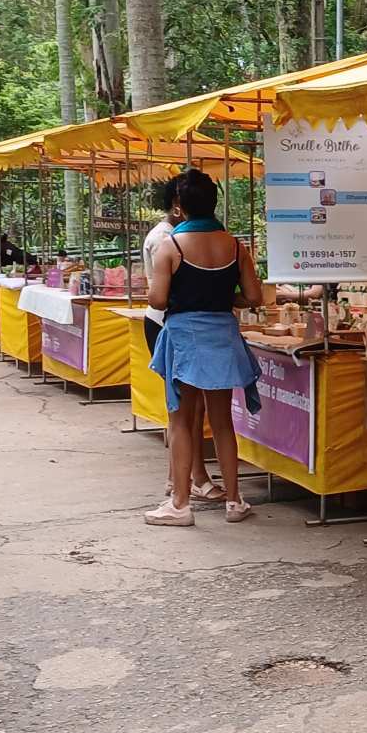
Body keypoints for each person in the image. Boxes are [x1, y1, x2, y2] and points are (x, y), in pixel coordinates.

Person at [145, 170, 264, 527]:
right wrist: (225, 297)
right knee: (223, 420)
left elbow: (158, 299)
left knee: (182, 420)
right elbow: (254, 297)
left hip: (185, 338)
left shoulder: (172, 247)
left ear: (179, 207)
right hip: (223, 334)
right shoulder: (235, 245)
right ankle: (235, 500)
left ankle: (180, 504)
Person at [142, 177, 225, 504]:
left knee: (191, 407)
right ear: (178, 203)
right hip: (169, 326)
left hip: (181, 325)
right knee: (185, 407)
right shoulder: (167, 238)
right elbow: (160, 297)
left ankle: (179, 478)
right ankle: (193, 478)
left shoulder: (186, 234)